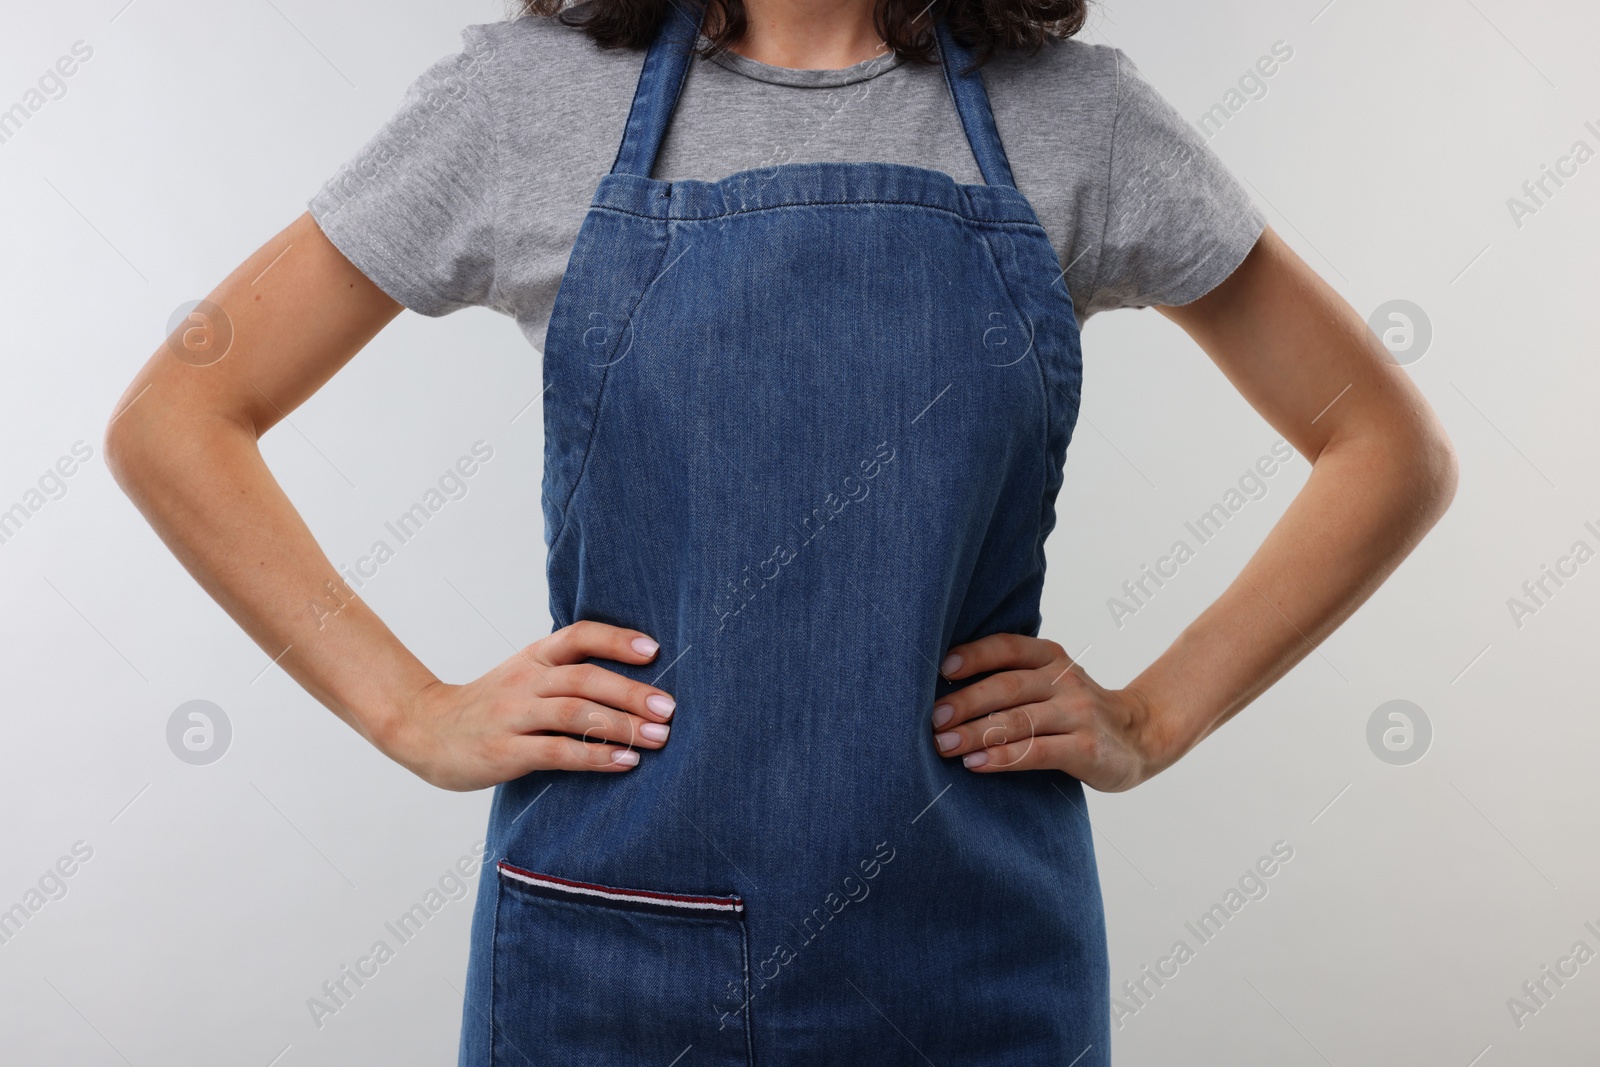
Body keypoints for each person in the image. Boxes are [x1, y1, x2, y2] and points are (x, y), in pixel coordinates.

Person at [105, 0, 1458, 1063]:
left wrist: (1155, 718)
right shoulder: (524, 100)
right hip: (609, 958)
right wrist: (407, 710)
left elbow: (1386, 448)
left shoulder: (1079, 122)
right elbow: (183, 414)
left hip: (975, 961)